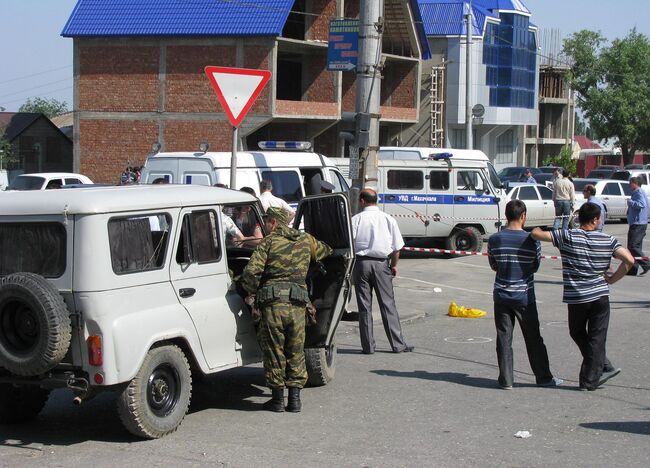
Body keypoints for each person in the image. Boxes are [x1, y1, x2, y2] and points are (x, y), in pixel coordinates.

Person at [532, 203, 634, 391]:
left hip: (577, 296)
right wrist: (612, 279)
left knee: (577, 332)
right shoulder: (608, 240)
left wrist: (537, 227)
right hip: (600, 294)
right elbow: (629, 260)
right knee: (597, 337)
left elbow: (537, 234)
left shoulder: (568, 236)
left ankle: (591, 377)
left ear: (580, 219)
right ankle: (599, 369)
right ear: (595, 220)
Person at [241, 207, 332, 412]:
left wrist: (252, 293)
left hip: (273, 306)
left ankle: (277, 400)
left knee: (275, 351)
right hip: (299, 305)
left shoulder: (269, 242)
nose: (263, 225)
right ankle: (295, 400)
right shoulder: (305, 239)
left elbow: (251, 273)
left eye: (266, 221)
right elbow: (327, 250)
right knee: (296, 350)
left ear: (274, 222)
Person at [487, 200, 561, 389]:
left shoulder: (495, 239)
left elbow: (494, 265)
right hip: (524, 296)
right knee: (533, 337)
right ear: (523, 216)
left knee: (504, 337)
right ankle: (544, 377)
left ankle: (506, 380)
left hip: (502, 294)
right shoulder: (532, 240)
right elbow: (534, 266)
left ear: (506, 215)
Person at [352, 188, 413, 354]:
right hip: (381, 264)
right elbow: (397, 248)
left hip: (361, 264)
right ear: (376, 201)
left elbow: (350, 245)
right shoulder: (388, 219)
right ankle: (398, 345)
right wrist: (394, 265)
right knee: (388, 304)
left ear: (362, 201)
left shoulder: (355, 219)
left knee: (364, 307)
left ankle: (368, 346)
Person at [626, 176, 650, 276]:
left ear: (635, 183)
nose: (629, 185)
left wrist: (630, 202)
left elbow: (641, 204)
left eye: (630, 183)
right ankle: (632, 270)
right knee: (635, 247)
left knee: (632, 246)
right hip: (639, 223)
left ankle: (646, 263)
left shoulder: (638, 192)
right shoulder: (640, 192)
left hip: (638, 224)